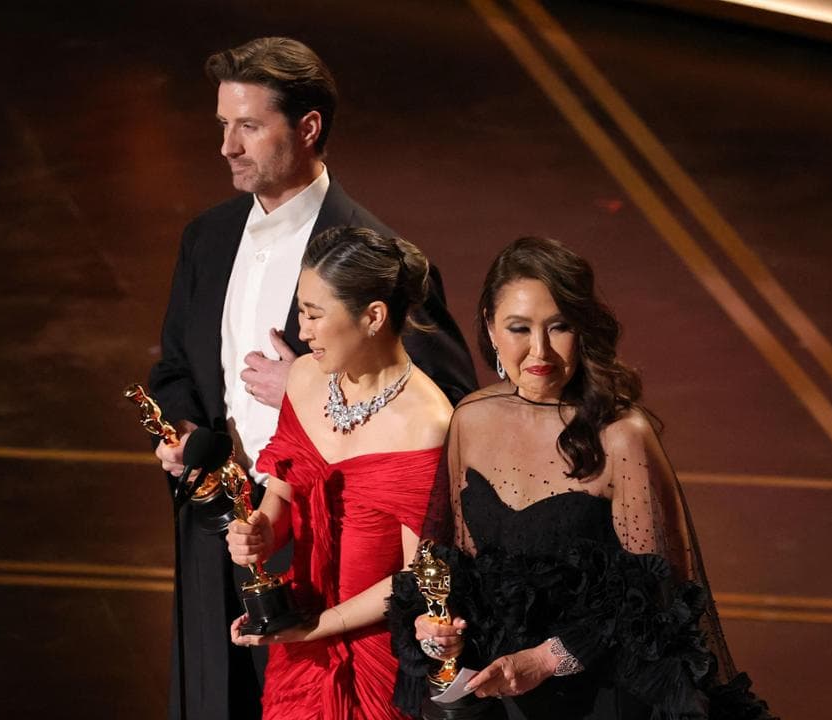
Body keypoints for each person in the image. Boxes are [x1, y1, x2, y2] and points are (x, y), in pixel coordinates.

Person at [148, 37, 477, 720]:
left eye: (248, 126)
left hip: (329, 550)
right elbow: (175, 369)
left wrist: (312, 386)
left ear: (307, 128)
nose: (227, 147)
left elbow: (450, 406)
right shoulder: (207, 238)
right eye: (223, 125)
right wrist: (184, 436)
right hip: (225, 525)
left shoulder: (378, 259)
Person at [389, 237, 774, 720]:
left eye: (559, 326)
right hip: (501, 690)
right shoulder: (470, 418)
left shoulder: (621, 436)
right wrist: (436, 626)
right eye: (519, 328)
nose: (539, 350)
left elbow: (654, 593)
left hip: (603, 694)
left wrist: (546, 660)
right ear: (489, 326)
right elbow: (453, 561)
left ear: (583, 329)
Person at [224, 227, 453, 719]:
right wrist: (260, 531)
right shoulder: (304, 378)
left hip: (375, 658)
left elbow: (417, 576)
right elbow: (281, 496)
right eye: (301, 312)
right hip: (299, 644)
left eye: (314, 314)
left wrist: (317, 626)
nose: (302, 331)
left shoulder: (427, 424)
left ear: (373, 316)